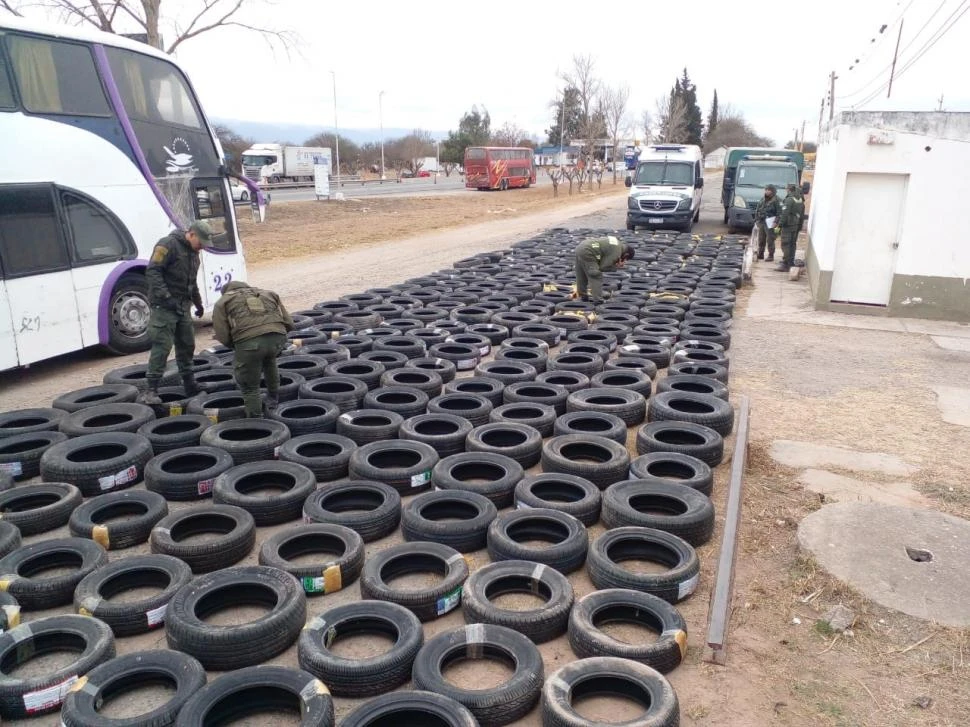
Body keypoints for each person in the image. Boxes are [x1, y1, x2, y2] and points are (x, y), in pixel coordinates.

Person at [138, 220, 212, 406]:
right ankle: (150, 390)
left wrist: (198, 303)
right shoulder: (167, 244)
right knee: (162, 346)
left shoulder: (194, 254)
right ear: (191, 234)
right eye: (200, 242)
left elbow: (192, 282)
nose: (202, 247)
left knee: (187, 345)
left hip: (182, 306)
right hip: (164, 307)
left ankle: (189, 383)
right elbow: (153, 272)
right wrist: (166, 296)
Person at [212, 280, 294, 417]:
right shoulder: (269, 293)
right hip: (278, 338)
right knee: (270, 361)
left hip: (250, 344)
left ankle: (256, 420)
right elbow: (289, 323)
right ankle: (273, 399)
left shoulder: (223, 302)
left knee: (250, 387)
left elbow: (222, 334)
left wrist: (236, 346)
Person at [574, 236, 635, 304]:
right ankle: (598, 300)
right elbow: (603, 267)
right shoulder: (617, 252)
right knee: (596, 275)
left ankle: (582, 296)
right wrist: (616, 266)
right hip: (588, 251)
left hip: (581, 247)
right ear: (626, 254)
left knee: (581, 274)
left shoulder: (617, 244)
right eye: (626, 259)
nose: (625, 261)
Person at [775, 183, 806, 272]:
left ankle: (785, 264)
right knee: (792, 244)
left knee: (786, 244)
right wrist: (799, 226)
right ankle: (791, 262)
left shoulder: (789, 200)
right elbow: (802, 215)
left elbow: (784, 214)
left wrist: (779, 225)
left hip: (788, 225)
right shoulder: (800, 200)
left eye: (786, 188)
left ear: (789, 189)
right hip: (796, 225)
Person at [753, 184, 781, 261]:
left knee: (770, 239)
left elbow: (779, 213)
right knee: (761, 239)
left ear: (772, 191)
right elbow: (758, 209)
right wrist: (756, 219)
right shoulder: (763, 199)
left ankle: (771, 255)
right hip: (761, 221)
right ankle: (761, 253)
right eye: (766, 190)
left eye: (768, 190)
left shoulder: (777, 200)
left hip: (770, 222)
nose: (767, 191)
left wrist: (776, 222)